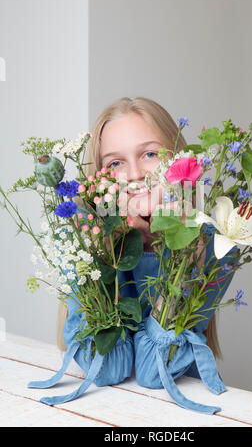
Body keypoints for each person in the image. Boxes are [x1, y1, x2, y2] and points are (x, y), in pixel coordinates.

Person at [57, 96, 224, 365]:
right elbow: (104, 368)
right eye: (115, 163)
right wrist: (102, 258)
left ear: (177, 158)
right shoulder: (82, 232)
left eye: (150, 154)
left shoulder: (210, 241)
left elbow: (156, 371)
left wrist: (183, 263)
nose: (134, 174)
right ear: (100, 175)